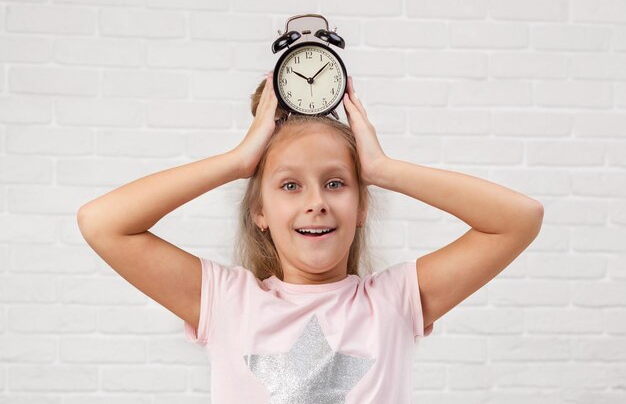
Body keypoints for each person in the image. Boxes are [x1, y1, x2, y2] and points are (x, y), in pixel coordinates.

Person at [77, 71, 543, 403]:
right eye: (289, 185)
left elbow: (519, 218)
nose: (316, 201)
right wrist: (240, 161)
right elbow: (102, 222)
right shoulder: (225, 302)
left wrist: (383, 169)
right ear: (260, 211)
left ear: (362, 206)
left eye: (336, 183)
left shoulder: (395, 300)